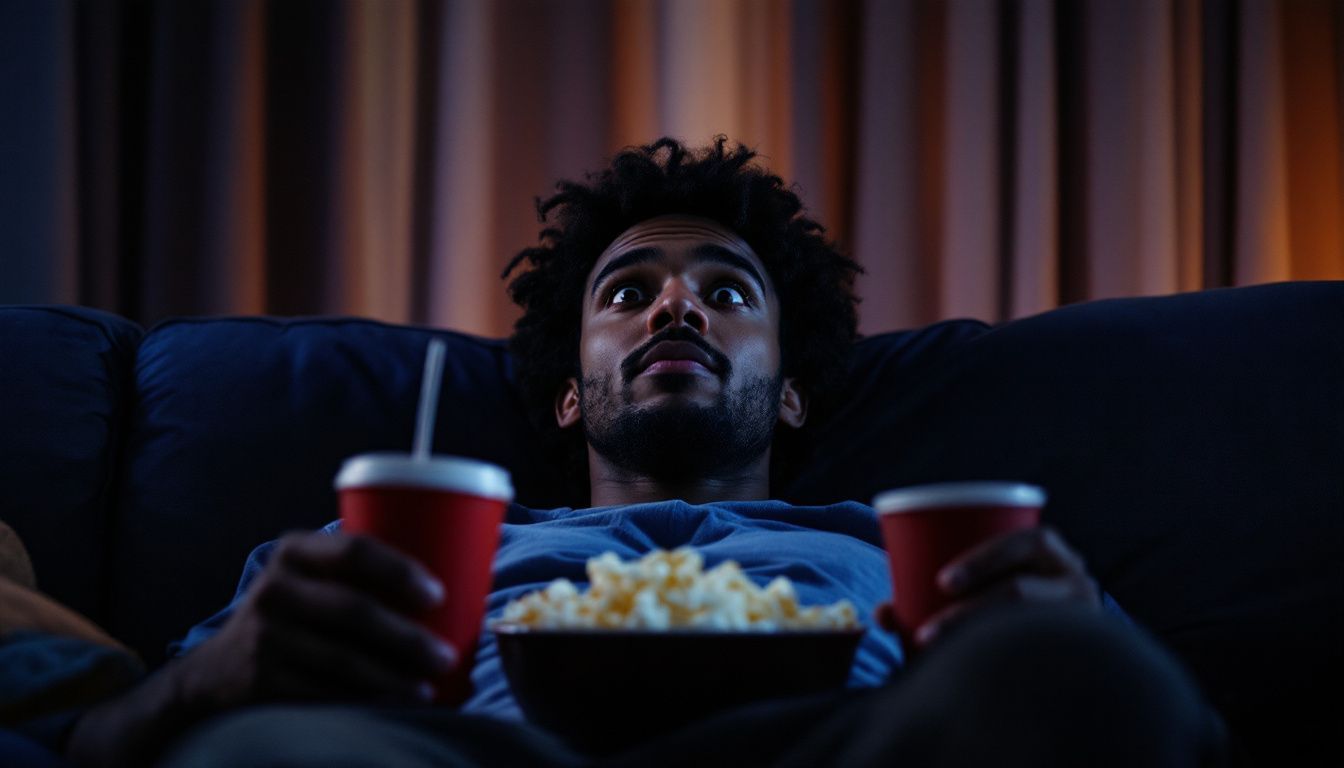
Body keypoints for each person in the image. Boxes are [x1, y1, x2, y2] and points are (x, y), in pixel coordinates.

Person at [62, 138, 1227, 767]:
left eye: (727, 293)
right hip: (471, 751)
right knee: (269, 747)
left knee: (1080, 679)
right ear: (569, 399)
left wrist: (1061, 631)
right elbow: (95, 747)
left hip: (841, 746)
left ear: (791, 400)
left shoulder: (890, 547)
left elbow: (1191, 736)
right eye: (631, 292)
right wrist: (224, 676)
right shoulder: (378, 557)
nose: (679, 310)